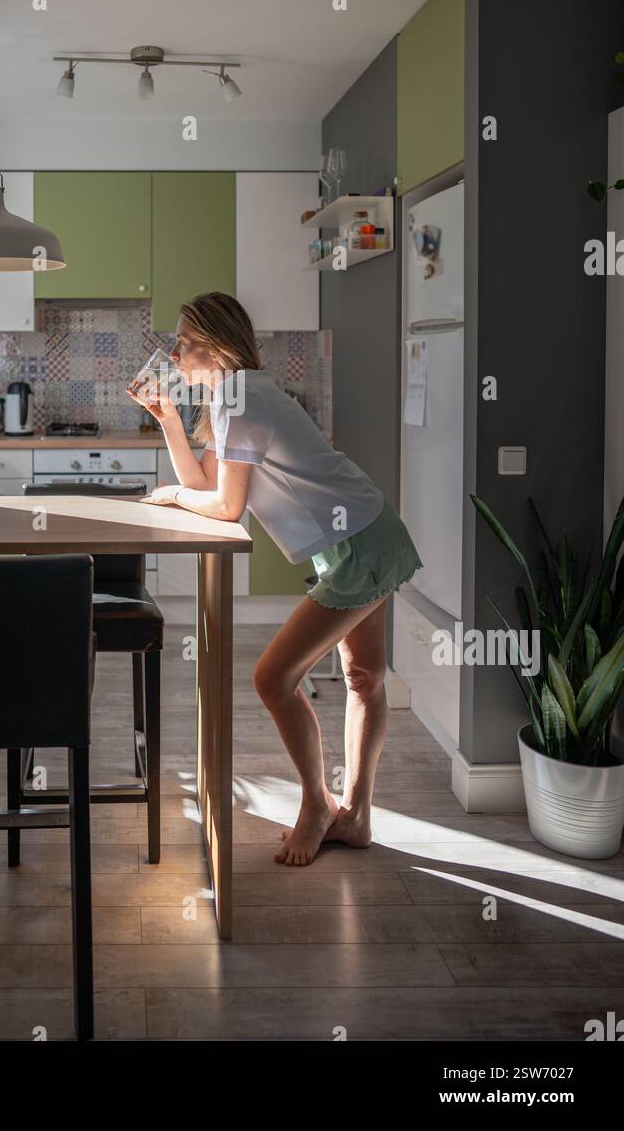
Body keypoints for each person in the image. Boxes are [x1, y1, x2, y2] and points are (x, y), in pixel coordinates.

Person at [130, 291, 422, 866]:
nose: (174, 352)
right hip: (365, 527)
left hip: (361, 542)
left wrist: (170, 495)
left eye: (184, 342)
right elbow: (210, 484)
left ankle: (318, 805)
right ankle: (356, 817)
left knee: (273, 679)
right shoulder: (231, 397)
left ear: (214, 348)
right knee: (364, 677)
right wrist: (168, 422)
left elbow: (225, 508)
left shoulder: (239, 401)